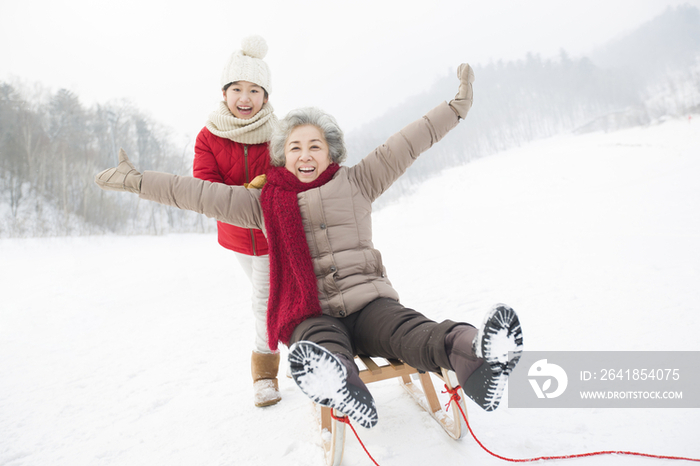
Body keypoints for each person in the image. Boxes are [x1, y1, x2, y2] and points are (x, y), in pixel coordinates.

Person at [95, 63, 524, 428]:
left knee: (408, 329)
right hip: (309, 310)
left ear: (330, 152)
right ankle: (342, 385)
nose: (305, 154)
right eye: (295, 147)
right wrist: (137, 181)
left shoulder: (358, 180)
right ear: (282, 155)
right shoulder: (263, 202)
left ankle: (476, 354)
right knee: (318, 344)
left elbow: (409, 141)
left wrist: (455, 109)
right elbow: (196, 193)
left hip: (370, 303)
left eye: (314, 146)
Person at [194, 35, 280, 407]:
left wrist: (269, 185)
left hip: (275, 234)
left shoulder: (279, 133)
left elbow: (293, 175)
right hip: (237, 238)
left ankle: (265, 376)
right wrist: (247, 192)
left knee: (264, 301)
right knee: (273, 297)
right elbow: (206, 190)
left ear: (265, 96)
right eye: (237, 89)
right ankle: (302, 343)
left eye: (254, 90)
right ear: (225, 92)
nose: (245, 98)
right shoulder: (209, 136)